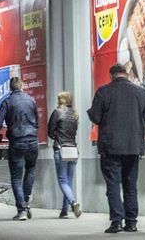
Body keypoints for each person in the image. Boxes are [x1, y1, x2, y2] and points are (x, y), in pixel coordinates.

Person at [87, 63, 145, 234]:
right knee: (130, 185)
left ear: (111, 76)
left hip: (111, 146)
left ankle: (116, 221)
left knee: (113, 185)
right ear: (127, 74)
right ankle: (131, 222)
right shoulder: (141, 92)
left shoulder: (104, 91)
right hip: (133, 146)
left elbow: (95, 117)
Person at [0, 77, 39, 221]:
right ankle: (26, 201)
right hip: (32, 140)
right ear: (21, 86)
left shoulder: (7, 102)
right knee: (31, 170)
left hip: (17, 141)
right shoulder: (31, 100)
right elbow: (37, 120)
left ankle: (21, 210)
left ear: (10, 88)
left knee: (16, 177)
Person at [48, 91, 81, 219]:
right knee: (69, 181)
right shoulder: (75, 114)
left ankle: (73, 201)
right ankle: (64, 211)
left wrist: (56, 137)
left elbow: (50, 131)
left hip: (61, 149)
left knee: (62, 180)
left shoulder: (57, 112)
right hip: (73, 149)